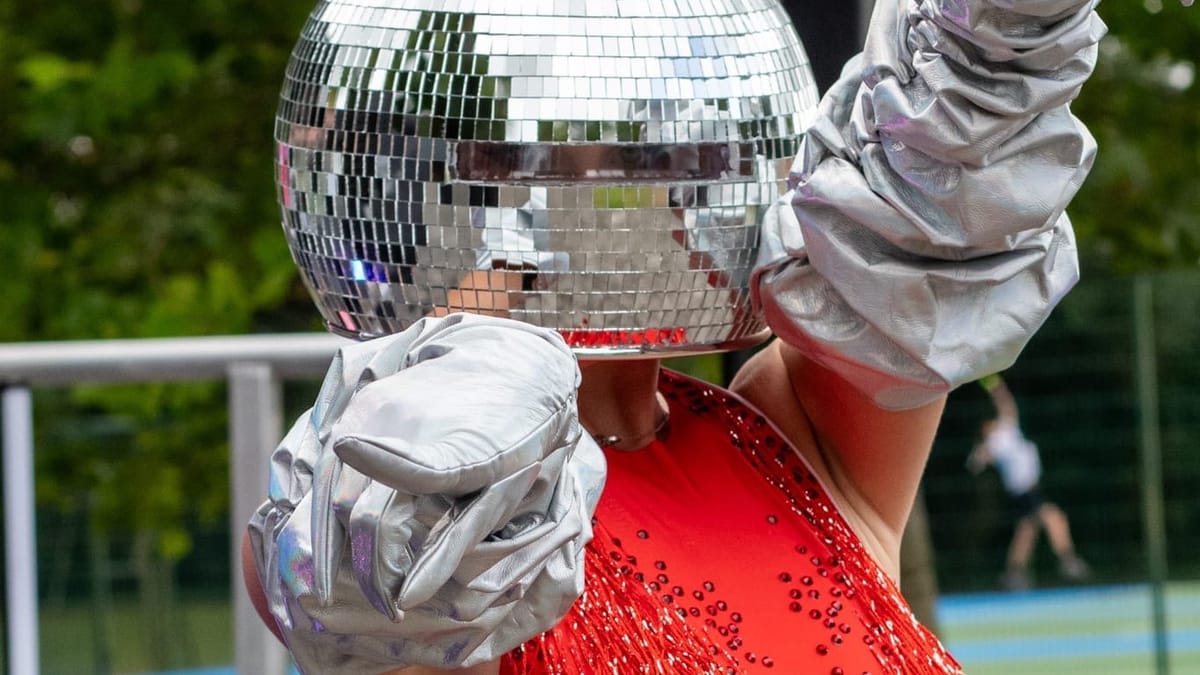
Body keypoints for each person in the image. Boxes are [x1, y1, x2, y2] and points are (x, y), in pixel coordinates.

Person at [244, 0, 1107, 673]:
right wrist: (485, 326)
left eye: (652, 153)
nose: (620, 191)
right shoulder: (417, 521)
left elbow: (951, 149)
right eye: (528, 164)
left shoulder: (790, 433)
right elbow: (370, 573)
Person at [968, 375, 1091, 592]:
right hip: (1024, 490)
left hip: (1028, 489)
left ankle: (1014, 573)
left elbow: (1006, 404)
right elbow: (976, 462)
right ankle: (1068, 560)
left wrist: (995, 385)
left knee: (1026, 530)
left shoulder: (1007, 429)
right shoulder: (995, 442)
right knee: (1054, 517)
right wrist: (980, 455)